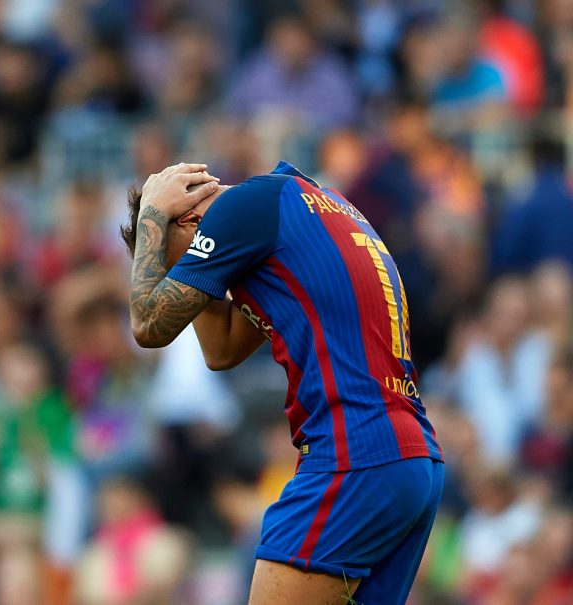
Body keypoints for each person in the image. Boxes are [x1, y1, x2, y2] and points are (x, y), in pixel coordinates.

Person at [121, 162, 444, 604]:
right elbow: (222, 351)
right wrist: (201, 269)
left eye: (179, 264)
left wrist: (151, 223)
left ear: (191, 221)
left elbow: (148, 326)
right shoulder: (303, 206)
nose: (182, 279)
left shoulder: (242, 207)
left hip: (352, 453)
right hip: (411, 458)